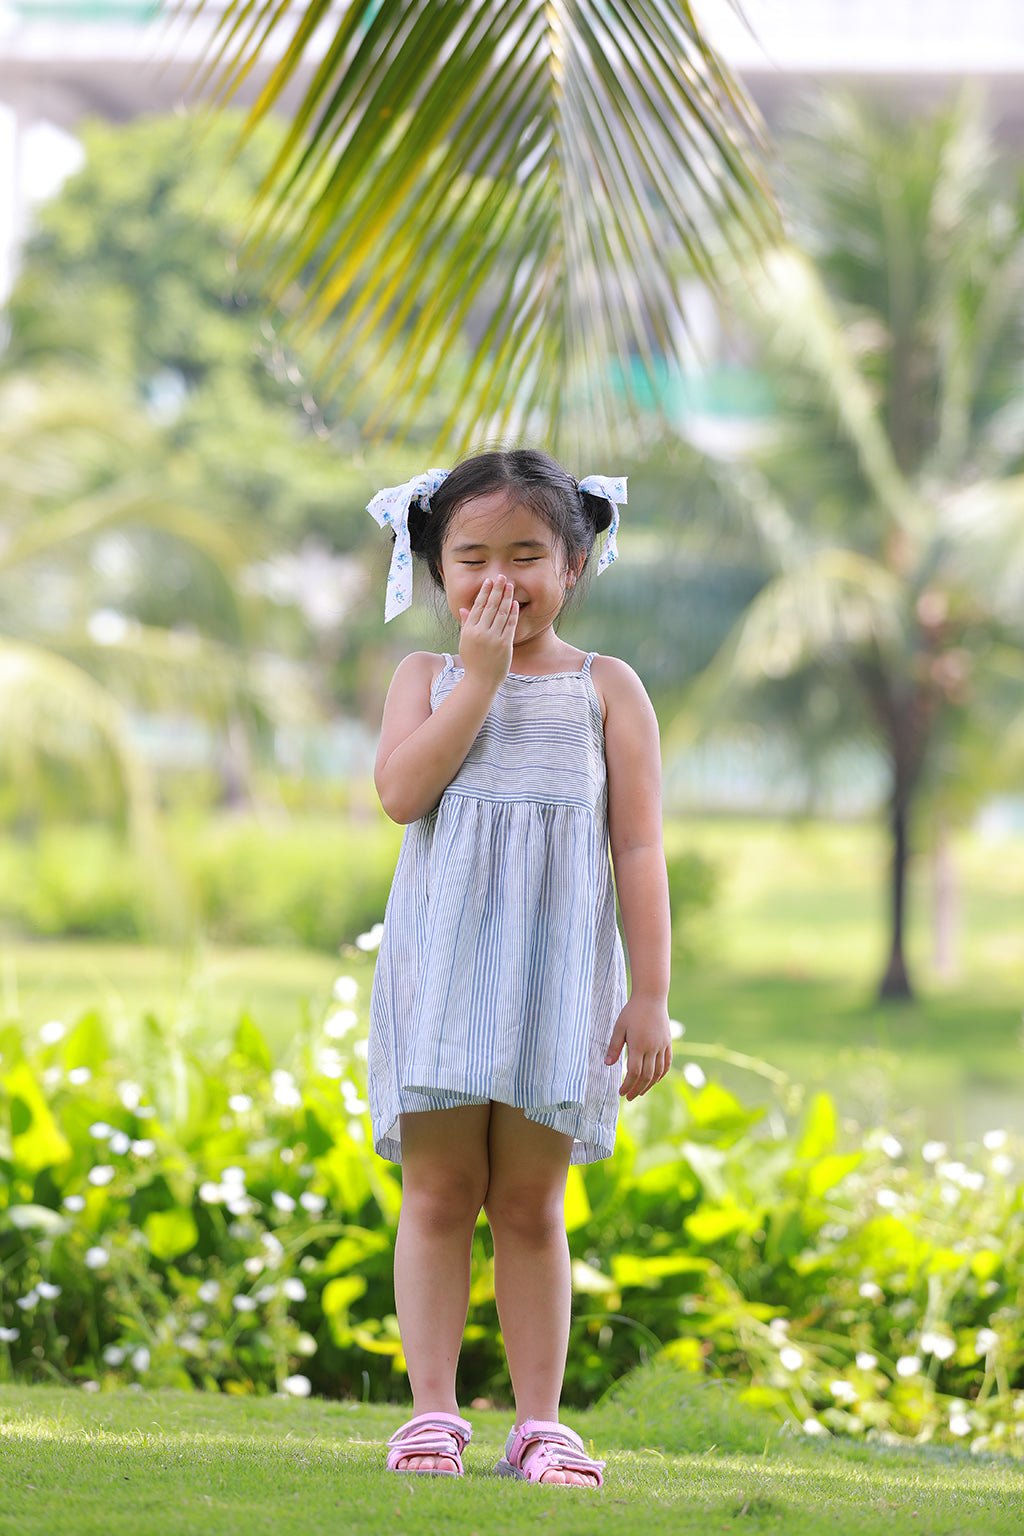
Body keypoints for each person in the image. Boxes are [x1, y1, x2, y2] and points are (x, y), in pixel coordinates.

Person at [365, 448, 672, 1487]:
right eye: (472, 558)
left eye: (527, 555)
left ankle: (540, 1424)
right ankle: (433, 1415)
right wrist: (482, 679)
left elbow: (637, 847)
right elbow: (403, 794)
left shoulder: (606, 689)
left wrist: (651, 996)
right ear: (438, 572)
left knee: (533, 1205)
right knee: (441, 1192)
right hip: (445, 973)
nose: (500, 579)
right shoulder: (425, 678)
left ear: (575, 563)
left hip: (555, 981)